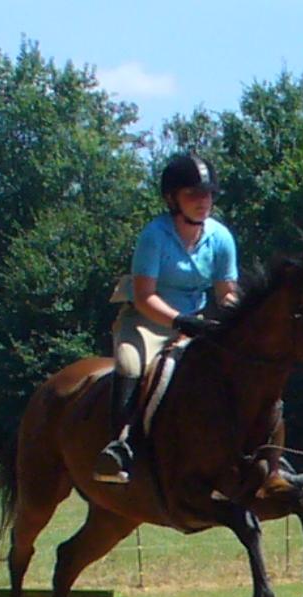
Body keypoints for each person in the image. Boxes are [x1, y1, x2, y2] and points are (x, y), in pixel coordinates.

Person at [92, 153, 239, 484]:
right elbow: (144, 296)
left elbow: (225, 292)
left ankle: (257, 449)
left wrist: (240, 313)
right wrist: (180, 321)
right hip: (147, 321)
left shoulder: (221, 238)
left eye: (208, 194)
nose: (203, 202)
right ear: (173, 199)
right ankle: (121, 448)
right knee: (130, 364)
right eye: (193, 194)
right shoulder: (155, 235)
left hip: (197, 324)